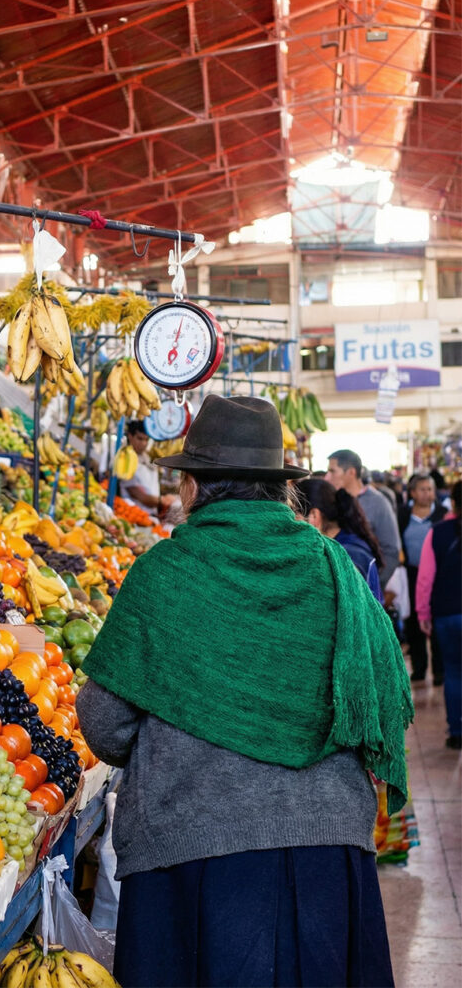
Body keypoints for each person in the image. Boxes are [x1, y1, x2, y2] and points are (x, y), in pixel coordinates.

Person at [76, 395, 412, 988]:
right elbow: (379, 698)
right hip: (325, 848)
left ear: (191, 486)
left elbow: (105, 724)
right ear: (281, 489)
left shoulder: (165, 573)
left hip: (192, 850)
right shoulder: (334, 569)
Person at [416, 481, 461, 749]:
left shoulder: (438, 532)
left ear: (452, 502)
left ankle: (457, 730)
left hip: (446, 614)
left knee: (454, 672)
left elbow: (425, 579)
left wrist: (423, 612)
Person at [295, 478, 384, 602]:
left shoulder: (345, 557)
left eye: (294, 516)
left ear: (314, 516)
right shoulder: (347, 546)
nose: (291, 524)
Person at [325, 449, 402, 589]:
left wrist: (371, 585)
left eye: (332, 471)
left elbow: (391, 551)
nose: (327, 477)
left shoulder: (378, 503)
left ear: (351, 472)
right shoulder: (332, 502)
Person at [398, 473, 447, 684]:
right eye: (423, 489)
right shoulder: (403, 514)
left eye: (430, 489)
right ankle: (419, 667)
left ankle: (439, 670)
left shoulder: (442, 514)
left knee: (437, 621)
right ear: (413, 493)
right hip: (411, 574)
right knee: (413, 622)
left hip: (438, 576)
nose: (428, 494)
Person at [118, 420, 175, 519]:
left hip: (150, 515)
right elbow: (139, 495)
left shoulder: (146, 457)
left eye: (146, 440)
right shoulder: (124, 459)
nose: (144, 443)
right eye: (140, 439)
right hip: (132, 515)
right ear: (130, 436)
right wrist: (163, 500)